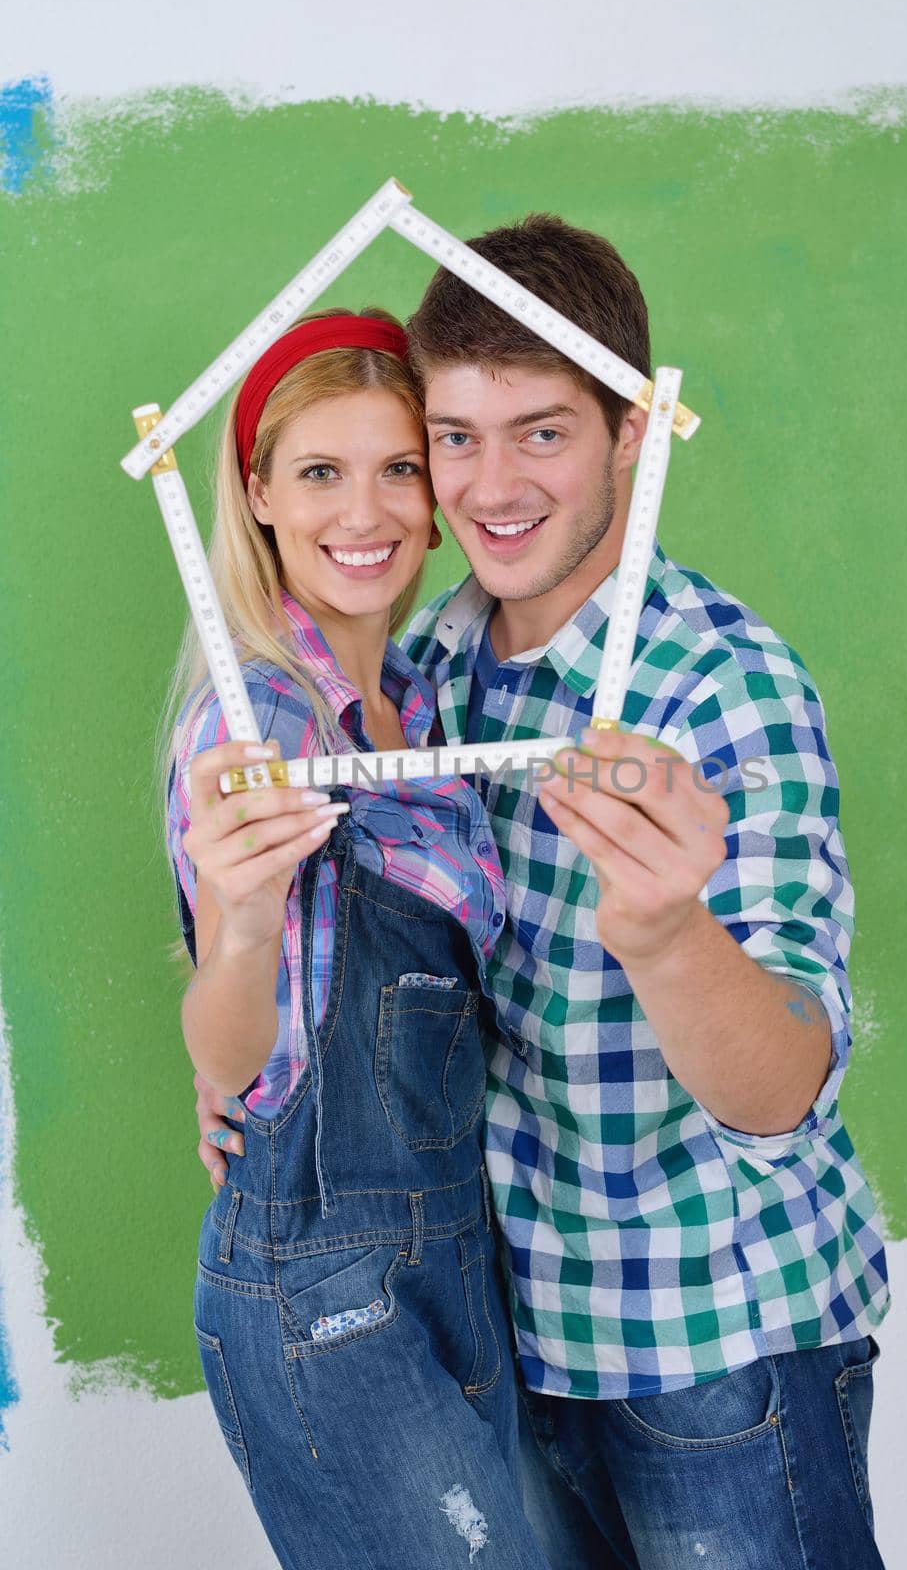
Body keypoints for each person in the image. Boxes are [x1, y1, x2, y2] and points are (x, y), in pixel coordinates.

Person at [197, 217, 892, 1570]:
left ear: (634, 429)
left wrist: (669, 936)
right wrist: (255, 1028)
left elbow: (784, 1091)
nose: (491, 482)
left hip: (714, 1348)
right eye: (453, 436)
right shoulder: (432, 667)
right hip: (508, 1330)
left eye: (543, 432)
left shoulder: (721, 689)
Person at [163, 307, 554, 1568]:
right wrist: (239, 937)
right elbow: (234, 1051)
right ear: (260, 495)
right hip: (323, 1290)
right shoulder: (254, 719)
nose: (365, 510)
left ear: (438, 501)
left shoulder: (433, 701)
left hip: (462, 1255)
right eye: (321, 472)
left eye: (397, 468)